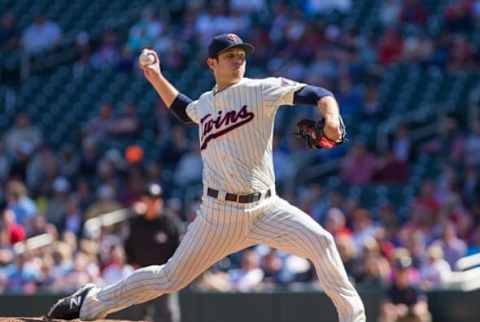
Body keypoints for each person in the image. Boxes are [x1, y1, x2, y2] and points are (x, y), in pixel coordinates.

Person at [48, 33, 366, 322]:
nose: (238, 58)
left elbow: (317, 93)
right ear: (211, 63)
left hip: (267, 208)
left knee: (322, 242)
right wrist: (156, 76)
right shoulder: (205, 104)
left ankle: (354, 318)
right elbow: (183, 109)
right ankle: (91, 302)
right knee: (168, 278)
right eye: (230, 55)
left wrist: (332, 117)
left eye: (241, 54)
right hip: (218, 216)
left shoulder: (261, 89)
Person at [124, 183, 182, 322]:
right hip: (142, 274)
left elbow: (180, 247)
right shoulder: (135, 222)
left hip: (165, 275)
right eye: (150, 199)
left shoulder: (169, 221)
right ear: (143, 201)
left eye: (156, 199)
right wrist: (133, 264)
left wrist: (173, 269)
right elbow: (128, 246)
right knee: (138, 314)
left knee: (168, 313)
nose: (153, 202)